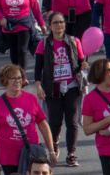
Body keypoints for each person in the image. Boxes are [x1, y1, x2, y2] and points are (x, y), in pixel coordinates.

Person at [33, 11, 87, 168]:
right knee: (55, 120)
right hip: (53, 85)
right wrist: (38, 86)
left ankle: (71, 153)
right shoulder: (43, 44)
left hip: (72, 84)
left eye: (61, 22)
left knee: (72, 121)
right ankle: (54, 143)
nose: (59, 25)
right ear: (50, 25)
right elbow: (38, 67)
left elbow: (82, 62)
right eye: (55, 23)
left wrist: (84, 66)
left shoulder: (73, 41)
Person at [0, 64, 56, 175]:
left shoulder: (31, 99)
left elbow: (43, 125)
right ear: (5, 81)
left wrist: (51, 151)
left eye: (19, 77)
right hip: (8, 158)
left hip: (31, 155)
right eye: (13, 78)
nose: (17, 81)